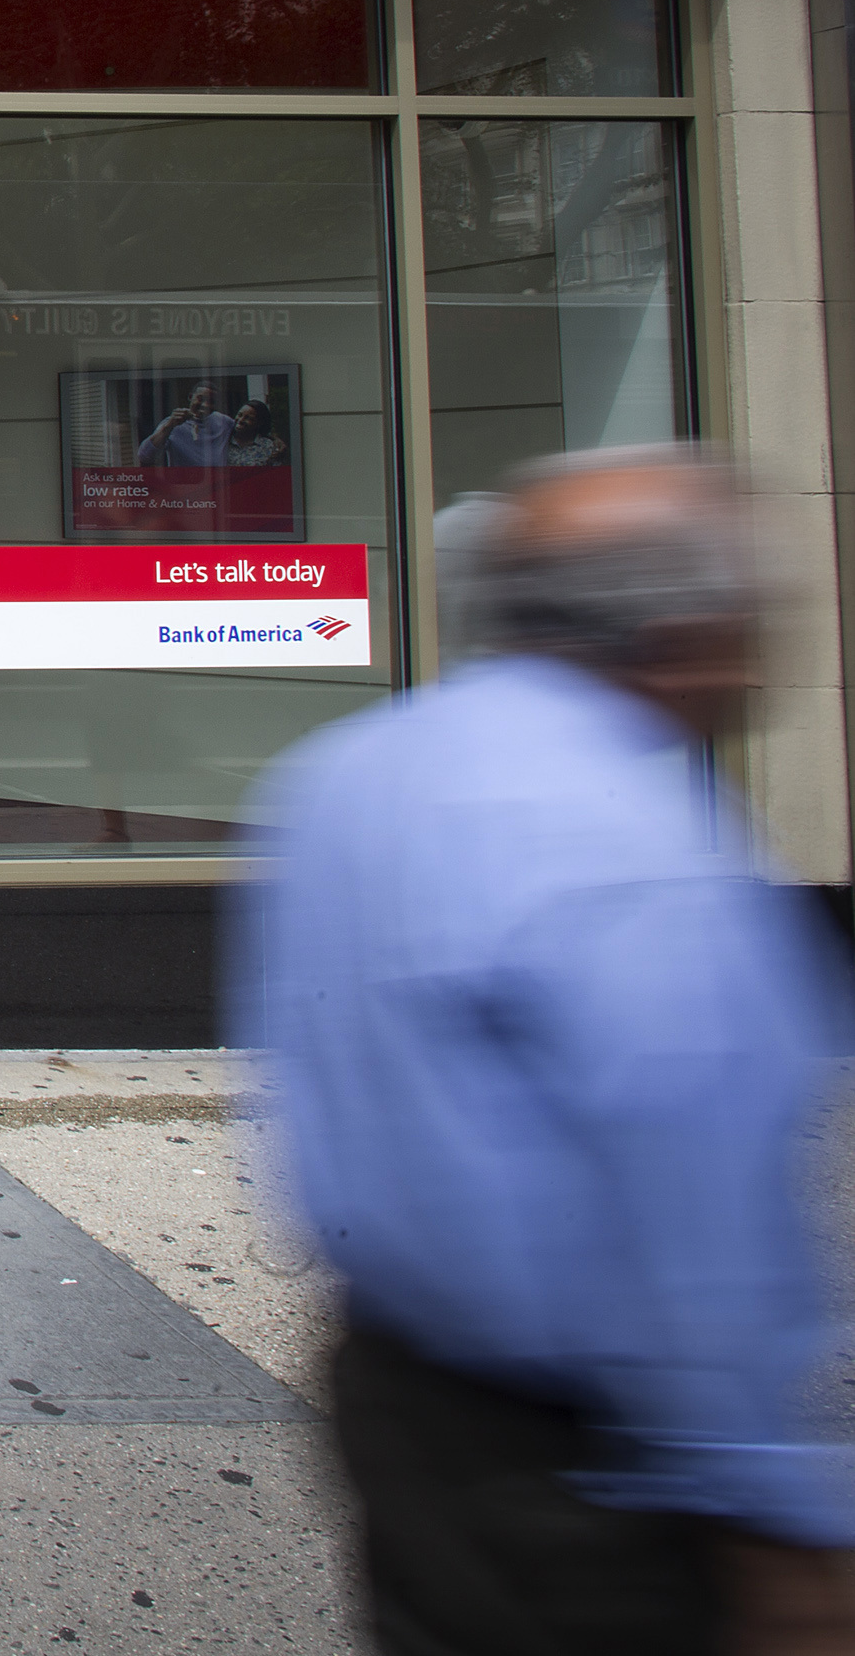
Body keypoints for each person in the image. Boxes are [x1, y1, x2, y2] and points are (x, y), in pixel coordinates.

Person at [240, 446, 855, 1654]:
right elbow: (706, 1222)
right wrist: (777, 1508)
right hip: (592, 1465)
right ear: (686, 630)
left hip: (396, 1395)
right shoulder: (641, 854)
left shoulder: (347, 776)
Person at [135, 378, 230, 466]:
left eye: (211, 401)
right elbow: (144, 456)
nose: (205, 405)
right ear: (190, 397)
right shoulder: (172, 423)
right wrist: (169, 426)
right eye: (200, 399)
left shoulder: (223, 421)